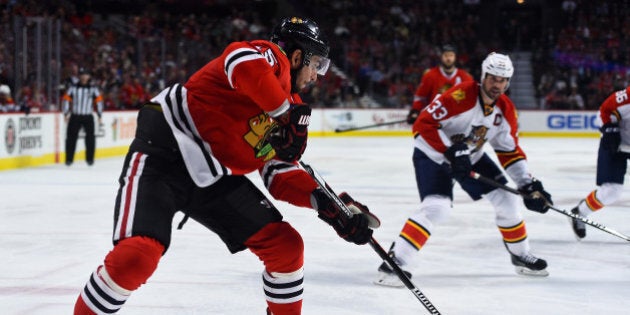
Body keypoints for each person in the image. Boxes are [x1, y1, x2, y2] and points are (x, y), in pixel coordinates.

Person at [73, 17, 373, 315]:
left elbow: (278, 172)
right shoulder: (273, 60)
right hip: (165, 156)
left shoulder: (290, 104)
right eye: (316, 64)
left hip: (213, 176)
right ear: (297, 56)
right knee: (135, 258)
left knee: (286, 247)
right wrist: (283, 112)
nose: (317, 75)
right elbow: (238, 57)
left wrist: (328, 204)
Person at [375, 52, 554, 287]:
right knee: (437, 208)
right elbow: (423, 124)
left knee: (508, 201)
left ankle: (520, 255)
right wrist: (450, 150)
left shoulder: (506, 110)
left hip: (470, 156)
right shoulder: (460, 95)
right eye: (492, 78)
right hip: (434, 154)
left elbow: (509, 150)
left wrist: (527, 183)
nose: (496, 84)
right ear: (483, 76)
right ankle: (394, 262)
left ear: (508, 82)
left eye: (502, 80)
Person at [569, 86, 630, 239]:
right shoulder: (626, 97)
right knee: (611, 191)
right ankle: (579, 212)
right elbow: (604, 111)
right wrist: (610, 130)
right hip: (616, 144)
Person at [406, 44, 474, 124]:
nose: (448, 58)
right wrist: (415, 111)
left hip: (457, 123)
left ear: (455, 57)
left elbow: (471, 101)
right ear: (441, 57)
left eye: (451, 55)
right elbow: (420, 97)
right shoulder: (430, 75)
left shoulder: (465, 78)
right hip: (435, 121)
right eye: (446, 55)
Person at [62, 67, 103, 166]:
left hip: (88, 116)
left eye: (86, 75)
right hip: (75, 116)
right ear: (79, 76)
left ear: (89, 76)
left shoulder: (93, 89)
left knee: (90, 138)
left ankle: (90, 159)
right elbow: (66, 99)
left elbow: (99, 101)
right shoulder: (73, 88)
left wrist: (99, 114)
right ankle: (69, 159)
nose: (84, 77)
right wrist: (66, 113)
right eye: (82, 75)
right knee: (71, 138)